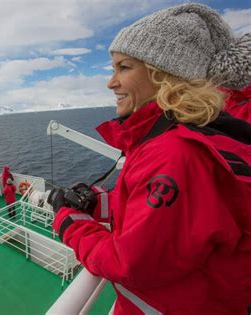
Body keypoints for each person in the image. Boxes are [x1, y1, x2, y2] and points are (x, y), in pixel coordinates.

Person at [48, 4, 250, 315]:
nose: (111, 82)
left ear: (164, 74)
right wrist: (98, 203)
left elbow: (130, 263)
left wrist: (70, 222)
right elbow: (176, 218)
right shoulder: (186, 134)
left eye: (124, 67)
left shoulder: (175, 153)